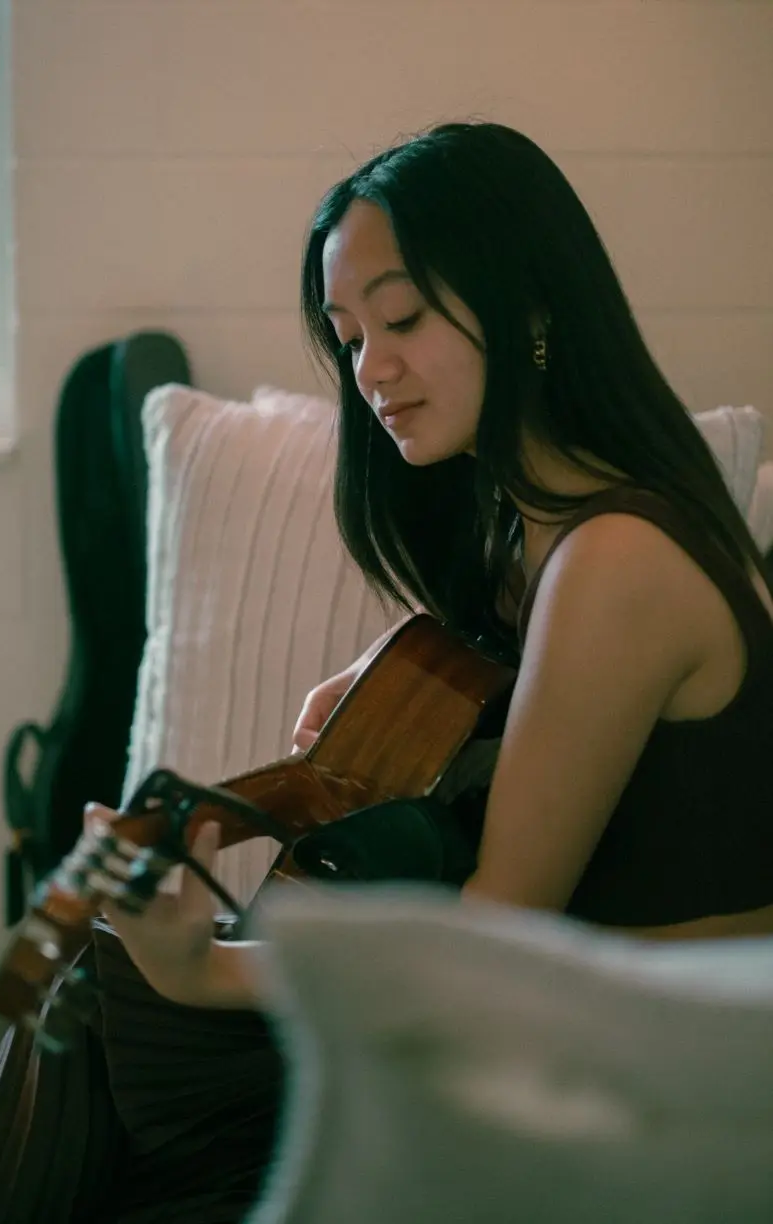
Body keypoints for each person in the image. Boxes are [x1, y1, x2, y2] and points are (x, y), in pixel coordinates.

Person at [96, 122, 773, 1013]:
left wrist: (203, 970)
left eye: (402, 318)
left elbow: (495, 937)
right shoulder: (530, 537)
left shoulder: (615, 560)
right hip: (573, 1022)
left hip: (650, 1053)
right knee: (99, 1006)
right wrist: (408, 693)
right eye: (348, 338)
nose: (370, 370)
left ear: (529, 307)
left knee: (115, 1015)